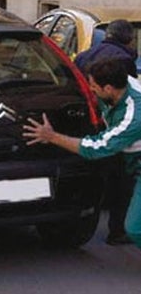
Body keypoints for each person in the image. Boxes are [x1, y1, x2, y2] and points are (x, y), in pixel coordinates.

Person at [23, 58, 141, 249]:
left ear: (109, 88)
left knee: (136, 228)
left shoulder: (135, 114)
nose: (90, 89)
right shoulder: (118, 83)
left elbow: (96, 148)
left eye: (93, 86)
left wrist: (51, 136)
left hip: (134, 158)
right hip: (129, 158)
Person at [74, 19, 137, 245]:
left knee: (102, 172)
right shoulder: (125, 61)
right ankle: (117, 230)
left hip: (89, 120)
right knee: (122, 180)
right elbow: (122, 97)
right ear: (129, 39)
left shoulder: (83, 56)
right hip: (115, 127)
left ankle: (90, 213)